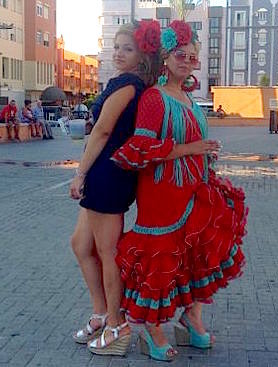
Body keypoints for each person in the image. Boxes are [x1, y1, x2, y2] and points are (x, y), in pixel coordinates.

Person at [112, 20, 248, 362]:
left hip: (192, 186)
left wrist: (205, 154)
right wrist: (194, 148)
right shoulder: (154, 98)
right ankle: (154, 328)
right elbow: (141, 148)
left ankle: (191, 317)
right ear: (165, 59)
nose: (186, 61)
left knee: (198, 252)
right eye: (179, 55)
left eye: (191, 57)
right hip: (161, 191)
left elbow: (191, 143)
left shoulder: (187, 97)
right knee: (162, 257)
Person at [69, 20, 161, 356]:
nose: (119, 53)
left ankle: (116, 324)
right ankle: (101, 312)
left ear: (141, 55)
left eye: (128, 48)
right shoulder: (126, 83)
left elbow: (103, 132)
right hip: (105, 174)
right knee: (81, 244)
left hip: (108, 175)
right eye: (117, 47)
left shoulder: (127, 85)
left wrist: (78, 175)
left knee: (108, 253)